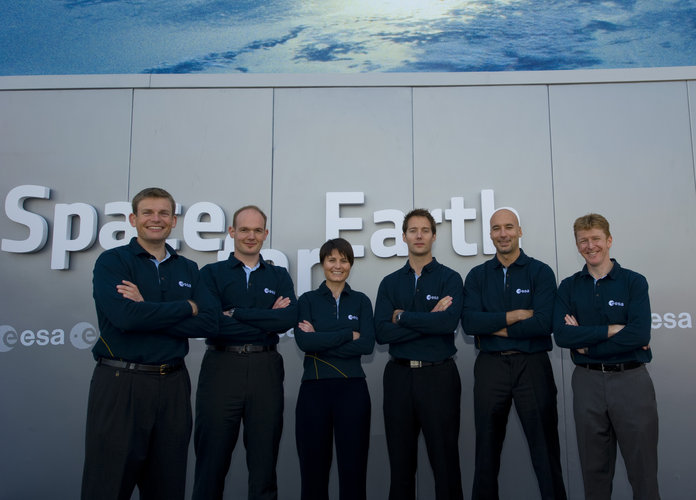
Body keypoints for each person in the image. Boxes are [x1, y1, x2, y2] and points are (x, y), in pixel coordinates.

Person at [82, 187, 216, 500]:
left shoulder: (188, 269)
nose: (155, 219)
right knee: (108, 486)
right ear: (133, 218)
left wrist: (146, 306)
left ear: (173, 221)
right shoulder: (112, 262)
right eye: (148, 213)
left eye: (163, 214)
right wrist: (187, 306)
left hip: (172, 385)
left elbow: (210, 321)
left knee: (167, 487)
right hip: (121, 384)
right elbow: (126, 318)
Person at [192, 205, 297, 500]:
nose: (251, 236)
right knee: (211, 463)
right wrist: (265, 318)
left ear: (265, 233)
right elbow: (211, 323)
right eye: (244, 230)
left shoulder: (278, 275)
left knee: (264, 465)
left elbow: (288, 319)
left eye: (257, 230)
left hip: (266, 368)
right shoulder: (211, 273)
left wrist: (234, 313)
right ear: (232, 232)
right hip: (221, 368)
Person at [461, 208, 566, 500]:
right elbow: (470, 323)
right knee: (485, 455)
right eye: (496, 228)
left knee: (546, 452)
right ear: (490, 234)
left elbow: (544, 323)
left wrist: (493, 325)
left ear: (520, 231)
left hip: (532, 366)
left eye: (509, 227)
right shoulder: (478, 276)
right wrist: (517, 315)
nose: (502, 233)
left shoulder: (541, 272)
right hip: (490, 368)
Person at [554, 213, 659, 500]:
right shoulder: (568, 286)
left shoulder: (634, 282)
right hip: (587, 384)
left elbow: (639, 335)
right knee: (594, 472)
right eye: (583, 241)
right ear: (577, 246)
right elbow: (563, 336)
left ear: (609, 240)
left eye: (596, 239)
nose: (590, 246)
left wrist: (587, 342)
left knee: (643, 472)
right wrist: (612, 330)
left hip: (631, 382)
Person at [374, 208, 464, 500]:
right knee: (400, 466)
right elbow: (382, 333)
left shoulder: (450, 279)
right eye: (413, 230)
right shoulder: (390, 283)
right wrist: (429, 319)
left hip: (438, 375)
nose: (419, 235)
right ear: (403, 237)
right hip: (398, 377)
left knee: (445, 464)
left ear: (434, 236)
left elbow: (447, 323)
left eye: (425, 230)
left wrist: (400, 317)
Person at [294, 238, 375, 500]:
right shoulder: (306, 300)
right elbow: (305, 341)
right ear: (322, 263)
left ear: (350, 264)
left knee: (353, 472)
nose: (337, 266)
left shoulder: (361, 301)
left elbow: (366, 344)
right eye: (332, 260)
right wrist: (346, 334)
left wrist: (322, 338)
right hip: (314, 391)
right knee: (313, 472)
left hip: (353, 390)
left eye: (343, 260)